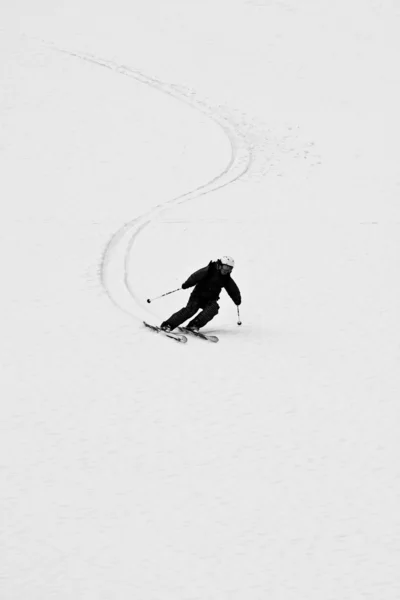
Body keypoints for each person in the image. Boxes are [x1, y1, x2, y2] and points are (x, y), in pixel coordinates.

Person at [160, 256, 241, 332]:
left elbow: (233, 289)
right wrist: (187, 284)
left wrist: (236, 299)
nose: (226, 270)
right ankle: (168, 325)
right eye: (225, 267)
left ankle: (193, 325)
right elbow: (195, 276)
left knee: (213, 308)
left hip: (210, 299)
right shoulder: (209, 270)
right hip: (197, 296)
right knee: (190, 310)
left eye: (229, 268)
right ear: (220, 265)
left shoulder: (226, 279)